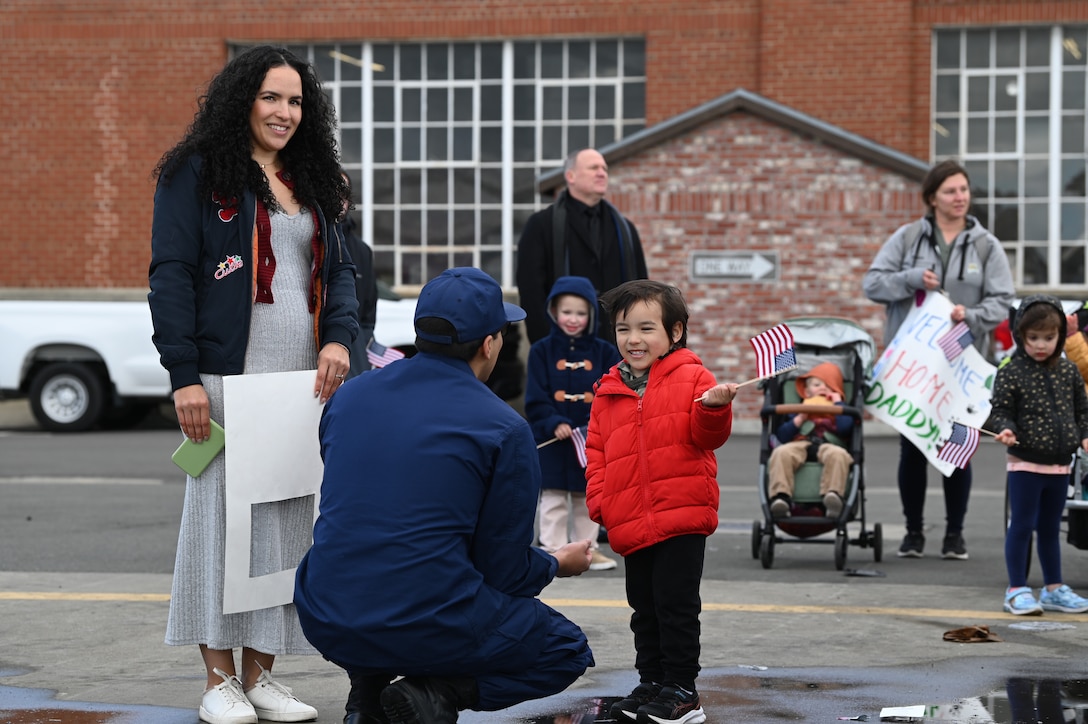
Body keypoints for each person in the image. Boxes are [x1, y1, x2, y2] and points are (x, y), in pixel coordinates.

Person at [149, 45, 359, 724]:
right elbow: (172, 275)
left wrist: (338, 338)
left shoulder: (313, 179)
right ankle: (217, 682)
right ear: (243, 99)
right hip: (224, 380)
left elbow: (345, 276)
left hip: (300, 388)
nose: (284, 112)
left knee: (285, 528)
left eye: (296, 101)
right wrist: (185, 377)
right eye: (272, 97)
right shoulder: (198, 174)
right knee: (218, 525)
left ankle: (261, 673)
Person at [294, 267, 595, 724]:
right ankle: (435, 693)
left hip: (327, 611)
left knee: (384, 558)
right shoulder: (503, 427)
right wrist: (557, 563)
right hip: (424, 617)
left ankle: (368, 697)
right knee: (566, 649)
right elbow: (504, 569)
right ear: (489, 343)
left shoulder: (349, 397)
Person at [585, 279, 737, 724]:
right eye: (623, 329)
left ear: (674, 332)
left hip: (681, 513)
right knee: (644, 608)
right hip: (630, 519)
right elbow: (596, 454)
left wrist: (714, 408)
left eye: (646, 328)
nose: (633, 339)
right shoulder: (608, 389)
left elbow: (710, 438)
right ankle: (651, 681)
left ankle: (682, 690)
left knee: (676, 605)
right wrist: (602, 505)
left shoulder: (694, 376)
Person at [863, 159, 1014, 560]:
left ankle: (954, 535)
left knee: (957, 449)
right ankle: (913, 532)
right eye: (950, 191)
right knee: (912, 450)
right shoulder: (908, 237)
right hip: (915, 367)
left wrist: (973, 315)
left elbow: (1001, 301)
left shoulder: (986, 245)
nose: (959, 197)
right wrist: (911, 278)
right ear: (932, 197)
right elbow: (873, 284)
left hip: (962, 367)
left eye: (963, 189)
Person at [988, 295, 1088, 616]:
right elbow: (1001, 409)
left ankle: (1053, 588)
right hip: (1025, 463)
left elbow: (1082, 410)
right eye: (1033, 338)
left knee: (1048, 528)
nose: (1040, 345)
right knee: (1021, 525)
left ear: (1060, 336)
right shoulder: (1012, 371)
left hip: (1060, 463)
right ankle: (1016, 588)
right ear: (1021, 336)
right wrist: (1004, 428)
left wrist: (1084, 435)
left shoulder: (1069, 371)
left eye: (1048, 337)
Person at [525, 276, 622, 571]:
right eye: (567, 312)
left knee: (586, 497)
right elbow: (535, 395)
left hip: (589, 437)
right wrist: (553, 420)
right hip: (553, 438)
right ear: (554, 312)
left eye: (581, 313)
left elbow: (611, 393)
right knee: (553, 497)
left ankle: (587, 549)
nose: (573, 319)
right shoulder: (541, 351)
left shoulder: (604, 351)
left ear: (591, 314)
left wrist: (596, 424)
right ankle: (552, 548)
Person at [515, 148, 648, 345]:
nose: (602, 173)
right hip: (563, 347)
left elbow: (642, 288)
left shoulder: (625, 229)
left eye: (604, 168)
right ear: (571, 176)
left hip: (618, 347)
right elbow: (531, 291)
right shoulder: (542, 225)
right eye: (594, 168)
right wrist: (546, 345)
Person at [767, 361, 855, 520]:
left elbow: (845, 428)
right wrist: (800, 418)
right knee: (781, 453)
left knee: (839, 455)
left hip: (828, 444)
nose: (822, 388)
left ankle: (833, 496)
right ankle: (781, 497)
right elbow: (782, 436)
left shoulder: (839, 411)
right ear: (806, 392)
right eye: (817, 385)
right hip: (800, 442)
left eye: (829, 386)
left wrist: (838, 402)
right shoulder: (799, 409)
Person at [339, 169, 379, 379]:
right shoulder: (304, 242)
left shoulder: (362, 252)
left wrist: (356, 350)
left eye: (343, 193)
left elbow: (367, 317)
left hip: (351, 365)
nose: (338, 199)